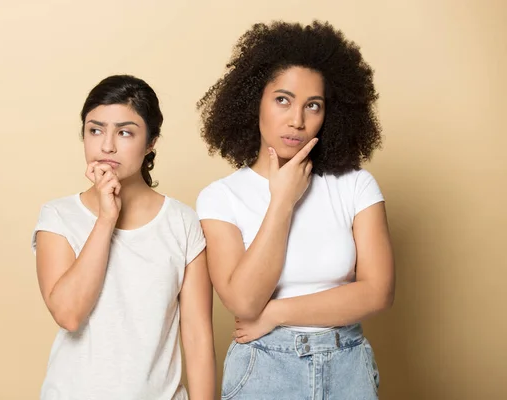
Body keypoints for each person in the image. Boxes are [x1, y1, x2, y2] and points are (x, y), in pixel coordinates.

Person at [196, 21, 394, 399]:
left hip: (347, 367)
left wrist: (275, 313)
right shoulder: (220, 197)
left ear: (329, 114)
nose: (297, 120)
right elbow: (243, 301)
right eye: (282, 100)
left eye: (313, 106)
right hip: (264, 368)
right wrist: (283, 201)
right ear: (255, 99)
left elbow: (377, 293)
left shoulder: (355, 185)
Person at [32, 75, 215, 400]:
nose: (106, 145)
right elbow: (69, 314)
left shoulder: (181, 222)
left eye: (125, 132)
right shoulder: (59, 216)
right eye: (95, 129)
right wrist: (106, 218)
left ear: (151, 142)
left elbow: (198, 337)